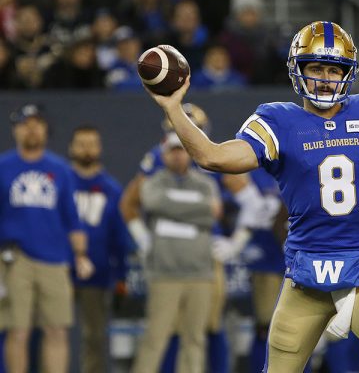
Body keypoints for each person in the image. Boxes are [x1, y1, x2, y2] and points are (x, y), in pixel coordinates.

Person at [145, 21, 359, 372]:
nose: (325, 78)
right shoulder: (278, 120)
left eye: (333, 69)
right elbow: (212, 157)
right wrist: (174, 109)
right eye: (316, 68)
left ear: (348, 73)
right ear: (298, 70)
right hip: (307, 267)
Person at [120, 103, 251, 373]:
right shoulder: (155, 165)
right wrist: (143, 239)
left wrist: (237, 240)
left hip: (203, 259)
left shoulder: (211, 161)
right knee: (161, 334)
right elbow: (133, 204)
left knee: (205, 330)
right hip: (167, 261)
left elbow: (253, 204)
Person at [0, 104, 94, 373]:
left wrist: (81, 255)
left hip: (55, 259)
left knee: (57, 330)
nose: (31, 129)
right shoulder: (3, 167)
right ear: (16, 130)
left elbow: (72, 218)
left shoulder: (60, 169)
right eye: (25, 124)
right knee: (16, 330)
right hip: (14, 260)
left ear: (46, 130)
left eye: (37, 124)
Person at [131, 133, 221, 373]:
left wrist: (170, 208)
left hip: (200, 273)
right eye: (173, 150)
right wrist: (197, 210)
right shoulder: (153, 183)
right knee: (154, 338)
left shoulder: (205, 184)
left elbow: (213, 213)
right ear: (164, 155)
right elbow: (152, 203)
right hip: (164, 274)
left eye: (182, 149)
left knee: (194, 340)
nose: (178, 155)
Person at [68, 125, 133, 373]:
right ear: (71, 147)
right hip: (59, 268)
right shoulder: (62, 180)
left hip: (98, 272)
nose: (86, 149)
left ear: (100, 148)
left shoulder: (111, 188)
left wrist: (121, 278)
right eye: (81, 143)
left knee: (94, 337)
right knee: (51, 331)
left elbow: (119, 237)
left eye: (91, 143)